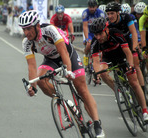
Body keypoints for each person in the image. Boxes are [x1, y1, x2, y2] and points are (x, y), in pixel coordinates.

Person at [18, 10, 105, 138]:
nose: (26, 33)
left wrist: (68, 71)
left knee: (81, 88)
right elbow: (32, 66)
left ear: (37, 25)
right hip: (51, 60)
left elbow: (63, 52)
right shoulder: (27, 43)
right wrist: (33, 87)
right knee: (41, 79)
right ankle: (65, 102)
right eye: (24, 29)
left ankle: (97, 124)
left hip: (68, 56)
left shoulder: (50, 30)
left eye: (29, 29)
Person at [90, 17, 148, 123]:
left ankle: (145, 111)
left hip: (122, 57)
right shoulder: (95, 42)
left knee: (134, 82)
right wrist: (97, 74)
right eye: (95, 34)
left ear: (106, 29)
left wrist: (130, 66)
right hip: (108, 58)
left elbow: (127, 52)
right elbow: (96, 61)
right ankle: (118, 90)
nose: (98, 37)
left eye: (100, 33)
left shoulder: (116, 34)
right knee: (102, 74)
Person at [105, 1, 146, 99]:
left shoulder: (126, 17)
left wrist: (135, 47)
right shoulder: (108, 24)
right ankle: (123, 85)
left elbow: (134, 32)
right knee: (119, 65)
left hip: (129, 41)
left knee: (136, 66)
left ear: (118, 13)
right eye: (108, 14)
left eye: (112, 13)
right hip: (119, 45)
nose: (110, 16)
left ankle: (143, 92)